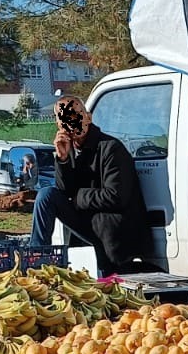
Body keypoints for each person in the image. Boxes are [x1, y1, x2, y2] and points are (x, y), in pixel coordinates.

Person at [29, 97, 149, 273]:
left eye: (76, 116)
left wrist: (78, 198)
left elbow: (115, 196)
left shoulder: (111, 148)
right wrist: (62, 160)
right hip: (88, 221)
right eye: (65, 118)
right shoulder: (70, 147)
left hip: (112, 228)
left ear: (88, 117)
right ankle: (35, 262)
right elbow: (64, 191)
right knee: (46, 195)